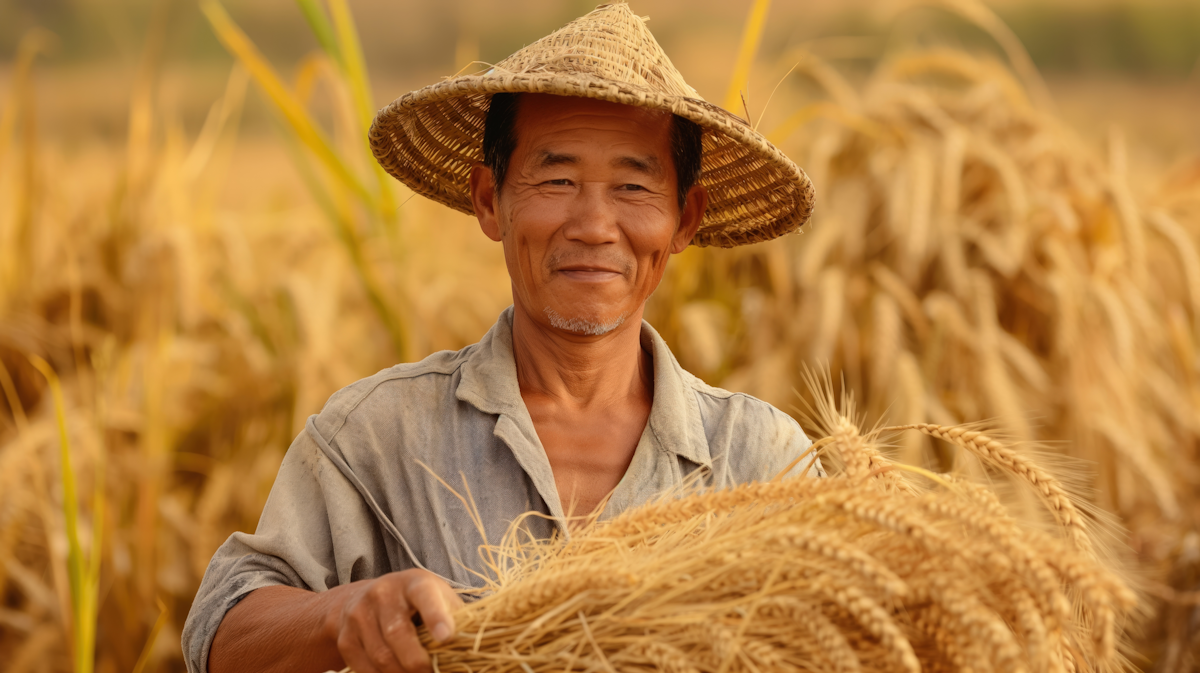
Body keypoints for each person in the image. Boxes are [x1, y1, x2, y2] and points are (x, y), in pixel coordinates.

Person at [182, 4, 818, 673]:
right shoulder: (377, 434)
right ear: (490, 200)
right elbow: (220, 630)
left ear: (684, 218)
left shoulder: (762, 460)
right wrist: (345, 612)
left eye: (633, 185)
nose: (595, 224)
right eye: (557, 179)